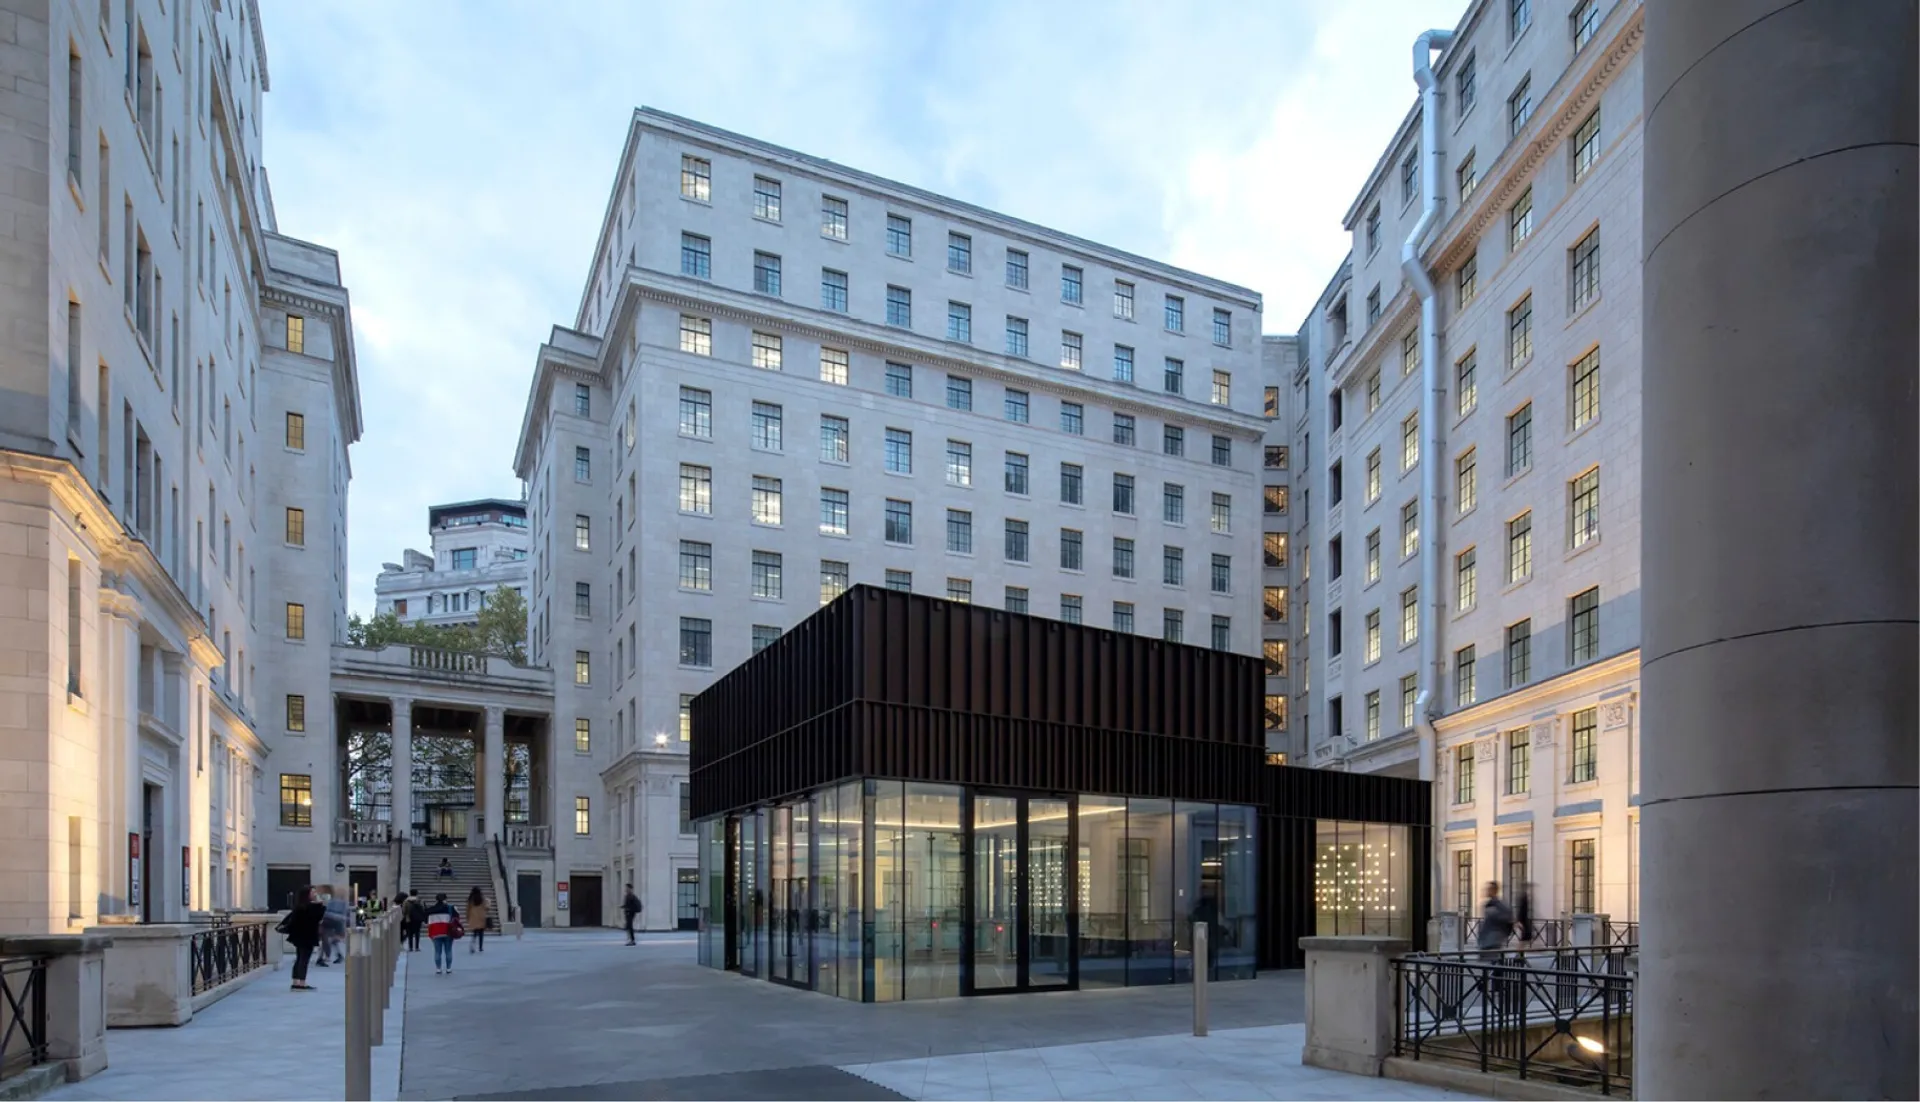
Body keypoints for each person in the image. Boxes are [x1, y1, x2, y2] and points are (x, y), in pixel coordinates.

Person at [280, 887, 326, 991]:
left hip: (298, 936)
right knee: (304, 960)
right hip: (307, 936)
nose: (315, 893)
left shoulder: (299, 906)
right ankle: (302, 983)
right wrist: (320, 903)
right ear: (307, 894)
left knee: (299, 958)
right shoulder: (312, 907)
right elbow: (319, 916)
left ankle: (296, 981)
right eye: (313, 892)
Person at [425, 892, 460, 974]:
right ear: (445, 899)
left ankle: (438, 969)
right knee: (448, 950)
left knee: (437, 951)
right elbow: (457, 918)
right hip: (448, 932)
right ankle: (448, 968)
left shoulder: (431, 909)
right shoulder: (451, 908)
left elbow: (426, 920)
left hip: (436, 933)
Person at [466, 886, 489, 953]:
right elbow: (486, 907)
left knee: (474, 933)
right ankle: (480, 947)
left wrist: (467, 916)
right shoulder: (482, 898)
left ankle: (472, 944)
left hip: (473, 918)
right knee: (481, 933)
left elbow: (468, 909)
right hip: (481, 917)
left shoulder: (471, 899)